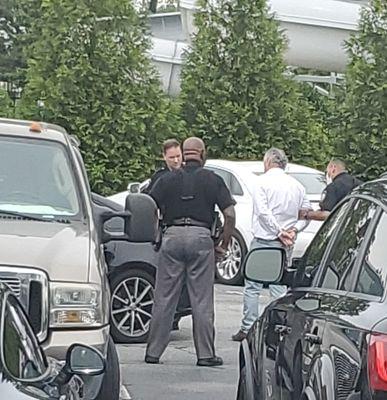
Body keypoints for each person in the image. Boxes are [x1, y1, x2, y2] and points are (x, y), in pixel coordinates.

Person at [145, 137, 236, 366]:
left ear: (184, 155)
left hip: (172, 237)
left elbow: (147, 206)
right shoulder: (213, 179)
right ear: (203, 154)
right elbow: (231, 214)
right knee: (201, 300)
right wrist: (223, 244)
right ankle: (205, 355)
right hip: (201, 238)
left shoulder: (167, 179)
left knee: (164, 298)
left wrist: (155, 234)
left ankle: (153, 352)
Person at [232, 148, 311, 342]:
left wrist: (278, 231)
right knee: (279, 285)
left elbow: (262, 212)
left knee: (253, 286)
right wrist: (294, 229)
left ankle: (248, 326)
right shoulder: (297, 186)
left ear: (267, 162)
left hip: (264, 240)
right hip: (285, 244)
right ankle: (277, 326)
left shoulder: (261, 183)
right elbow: (306, 213)